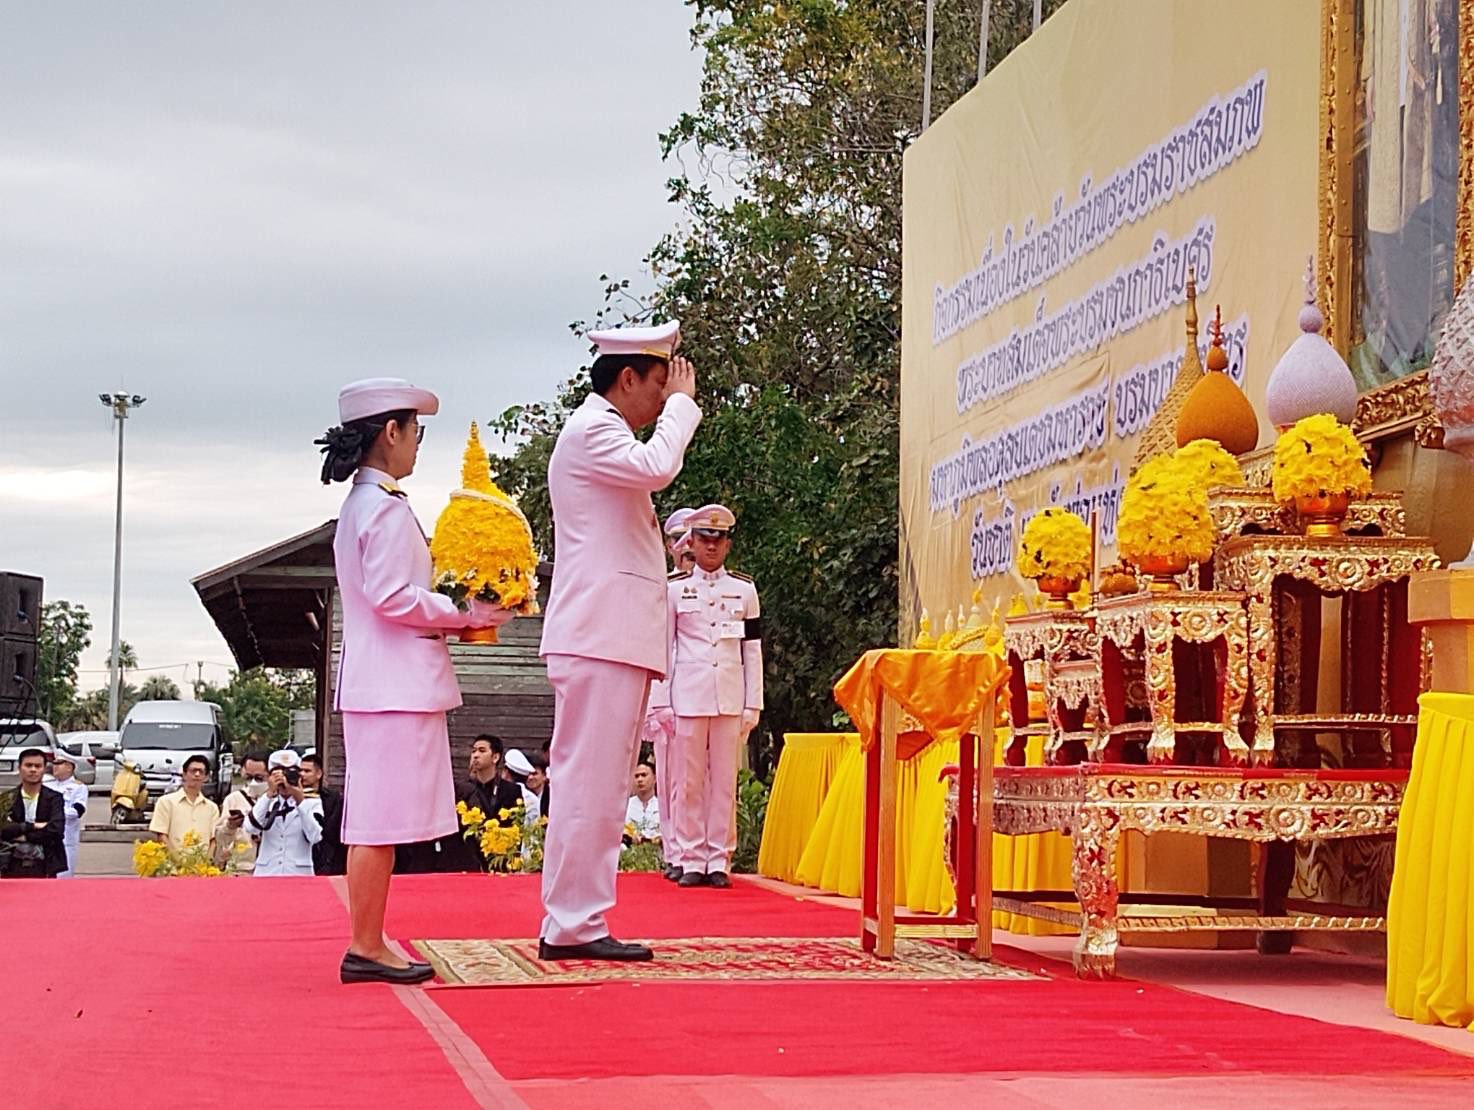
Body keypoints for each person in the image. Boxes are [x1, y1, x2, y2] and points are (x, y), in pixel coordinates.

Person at [319, 376, 512, 985]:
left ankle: (369, 940)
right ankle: (365, 944)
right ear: (391, 432)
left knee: (377, 821)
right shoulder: (380, 507)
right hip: (391, 687)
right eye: (415, 432)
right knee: (376, 823)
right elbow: (392, 596)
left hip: (387, 684)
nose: (418, 444)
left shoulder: (372, 504)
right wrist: (465, 612)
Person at [538, 319, 701, 962]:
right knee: (590, 782)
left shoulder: (601, 431)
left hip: (611, 635)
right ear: (627, 378)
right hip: (599, 635)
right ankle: (572, 922)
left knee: (601, 785)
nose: (665, 397)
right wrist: (683, 408)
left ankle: (578, 918)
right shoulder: (594, 429)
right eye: (660, 383)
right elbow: (659, 467)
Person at [664, 504, 763, 889]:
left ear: (727, 545)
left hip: (729, 694)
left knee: (724, 781)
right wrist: (662, 701)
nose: (711, 546)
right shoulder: (674, 589)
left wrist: (753, 702)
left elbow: (752, 649)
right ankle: (691, 857)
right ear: (692, 542)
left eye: (718, 539)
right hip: (688, 695)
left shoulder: (744, 589)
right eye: (704, 538)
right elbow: (665, 647)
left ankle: (719, 858)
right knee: (689, 780)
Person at [645, 507, 694, 880]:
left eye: (693, 540)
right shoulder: (661, 589)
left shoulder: (723, 589)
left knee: (704, 779)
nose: (687, 548)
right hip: (668, 695)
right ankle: (675, 852)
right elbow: (654, 647)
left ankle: (703, 853)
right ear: (668, 546)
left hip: (704, 695)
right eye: (680, 540)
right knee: (670, 778)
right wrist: (657, 703)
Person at [249, 749, 323, 877]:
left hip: (298, 874)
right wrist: (269, 793)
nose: (284, 780)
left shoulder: (311, 802)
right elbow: (251, 828)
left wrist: (300, 801)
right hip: (267, 873)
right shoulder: (266, 802)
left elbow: (315, 837)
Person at [1, 749, 67, 877]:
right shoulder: (7, 798)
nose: (33, 770)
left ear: (44, 769)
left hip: (46, 863)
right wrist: (33, 826)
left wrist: (24, 837)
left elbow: (56, 831)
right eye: (28, 765)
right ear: (19, 768)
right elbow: (3, 830)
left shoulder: (55, 798)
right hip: (11, 863)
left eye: (38, 766)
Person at [149, 755, 222, 854]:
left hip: (202, 862)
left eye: (201, 771)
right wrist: (177, 860)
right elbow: (161, 835)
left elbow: (214, 840)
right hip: (171, 862)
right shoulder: (166, 802)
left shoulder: (212, 808)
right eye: (193, 770)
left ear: (206, 777)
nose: (197, 774)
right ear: (184, 774)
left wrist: (207, 861)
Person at [214, 750, 268, 873]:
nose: (253, 782)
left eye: (259, 778)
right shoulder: (234, 799)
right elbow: (220, 839)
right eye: (249, 777)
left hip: (270, 868)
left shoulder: (279, 800)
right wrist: (230, 826)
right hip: (241, 868)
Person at [46, 748, 89, 878]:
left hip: (66, 839)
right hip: (46, 837)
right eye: (54, 763)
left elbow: (77, 811)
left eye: (59, 763)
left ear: (69, 767)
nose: (55, 766)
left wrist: (55, 814)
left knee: (63, 878)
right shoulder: (47, 785)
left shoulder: (79, 787)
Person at [300, 752, 345, 875]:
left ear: (318, 774)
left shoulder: (333, 798)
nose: (302, 774)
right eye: (300, 771)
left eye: (307, 771)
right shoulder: (294, 797)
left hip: (327, 857)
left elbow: (333, 830)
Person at [624, 760, 660, 842]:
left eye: (644, 775)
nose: (640, 779)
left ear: (655, 778)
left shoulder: (663, 807)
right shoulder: (625, 806)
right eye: (636, 776)